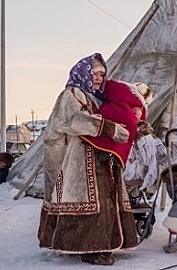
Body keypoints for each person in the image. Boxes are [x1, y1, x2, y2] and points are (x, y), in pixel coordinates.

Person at [37, 53, 146, 266]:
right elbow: (71, 120)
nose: (98, 77)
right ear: (83, 73)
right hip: (75, 160)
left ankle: (103, 242)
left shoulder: (99, 98)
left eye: (102, 74)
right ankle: (88, 248)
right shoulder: (71, 94)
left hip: (99, 157)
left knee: (103, 201)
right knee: (82, 199)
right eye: (94, 73)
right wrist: (108, 128)